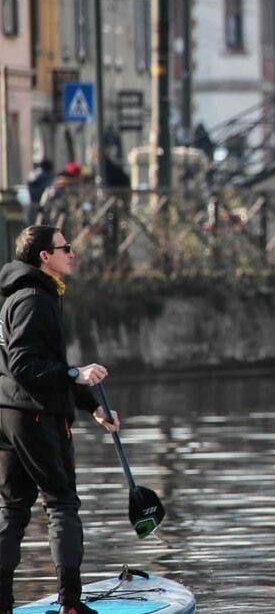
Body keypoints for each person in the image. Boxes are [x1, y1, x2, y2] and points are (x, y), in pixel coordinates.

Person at [0, 226, 119, 614]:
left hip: (7, 415)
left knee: (13, 508)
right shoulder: (35, 298)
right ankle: (71, 605)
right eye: (65, 247)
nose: (73, 253)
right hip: (35, 415)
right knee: (62, 503)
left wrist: (92, 406)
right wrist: (75, 376)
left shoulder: (19, 296)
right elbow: (24, 365)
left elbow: (44, 362)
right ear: (43, 257)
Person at [25, 160, 53, 224]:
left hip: (32, 200)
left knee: (32, 221)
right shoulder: (46, 175)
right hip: (40, 201)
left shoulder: (34, 173)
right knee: (40, 221)